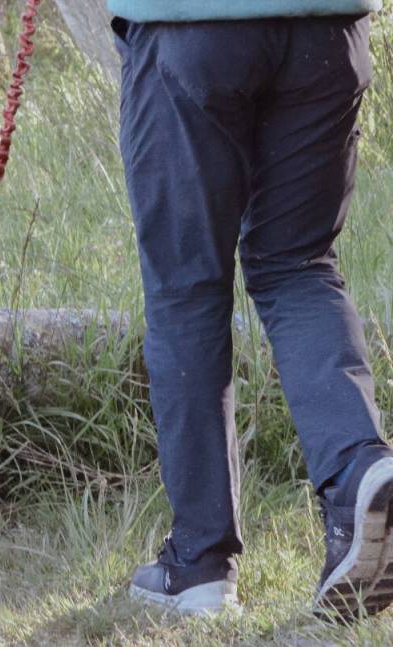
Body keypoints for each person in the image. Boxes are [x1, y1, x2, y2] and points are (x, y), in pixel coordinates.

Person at [108, 0, 392, 619]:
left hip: (191, 28)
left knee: (185, 288)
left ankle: (200, 565)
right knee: (299, 263)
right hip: (328, 30)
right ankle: (358, 475)